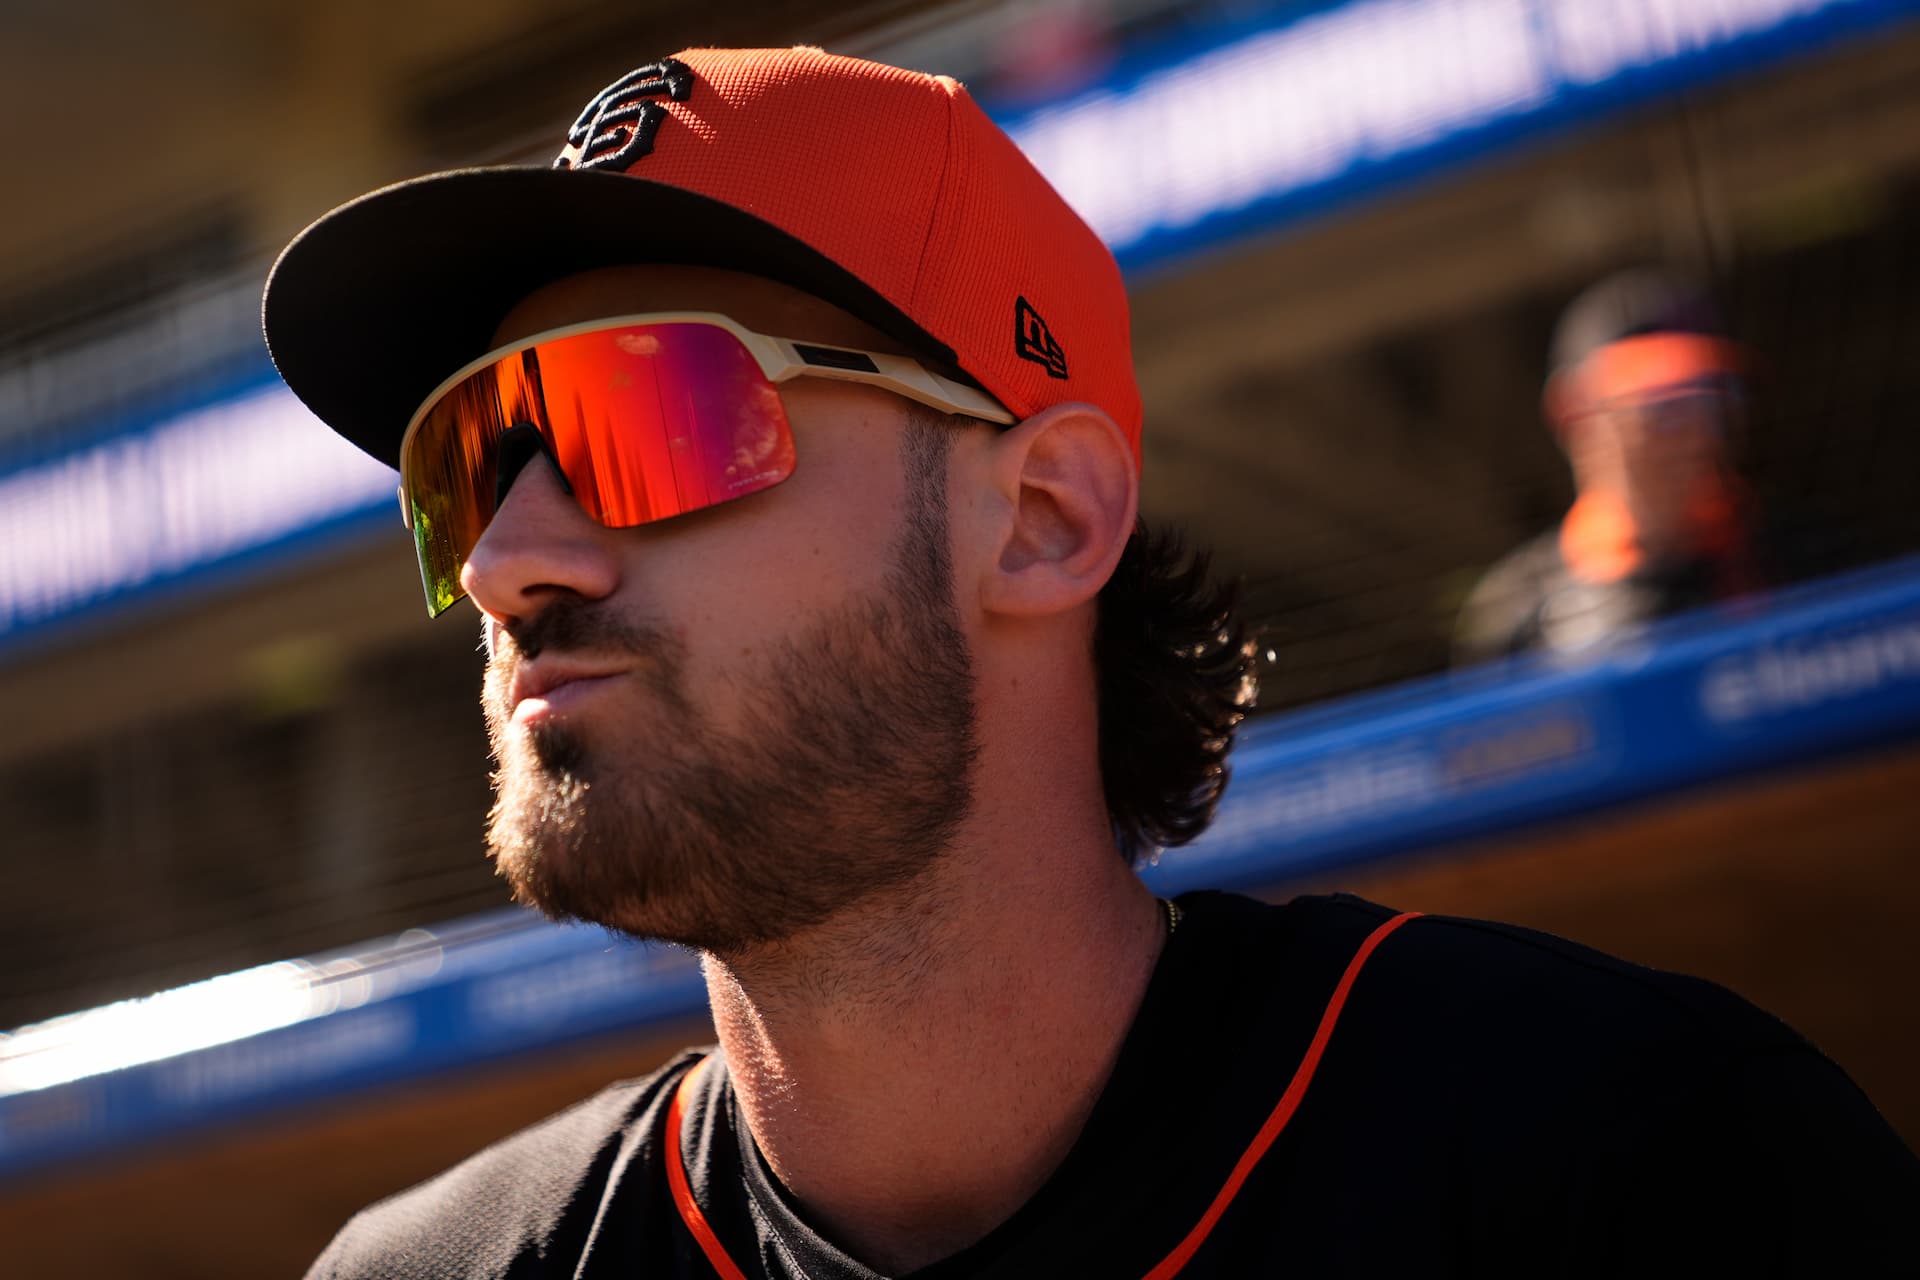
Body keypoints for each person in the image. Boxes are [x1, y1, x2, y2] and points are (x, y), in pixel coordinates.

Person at [264, 48, 1917, 1279]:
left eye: (654, 415)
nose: (505, 559)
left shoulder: (1635, 1169)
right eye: (472, 458)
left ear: (1047, 518)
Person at [1455, 269, 1768, 665]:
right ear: (1574, 414)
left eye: (1709, 395)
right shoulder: (1516, 615)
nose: (1695, 430)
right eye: (1660, 402)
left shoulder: (1799, 561)